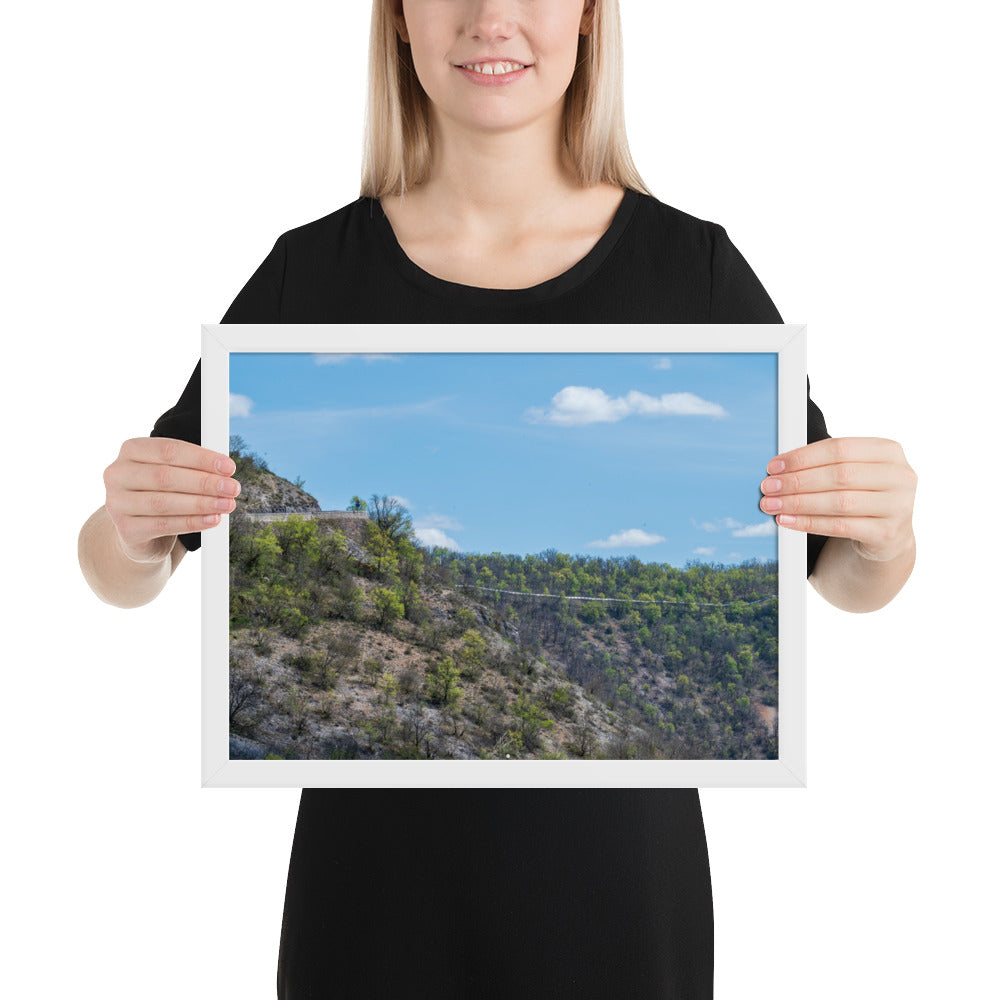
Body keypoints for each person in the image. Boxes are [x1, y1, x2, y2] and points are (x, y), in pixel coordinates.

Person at [77, 1, 917, 996]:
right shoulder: (310, 271)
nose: (491, 18)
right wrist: (131, 530)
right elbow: (121, 566)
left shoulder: (692, 270)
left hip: (618, 899)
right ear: (396, 19)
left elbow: (847, 578)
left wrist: (884, 529)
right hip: (370, 899)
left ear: (591, 19)